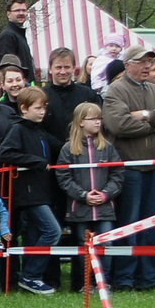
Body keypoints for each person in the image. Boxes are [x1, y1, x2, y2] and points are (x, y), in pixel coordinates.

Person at [103, 46, 155, 290]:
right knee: (130, 222)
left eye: (150, 62)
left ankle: (148, 276)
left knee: (154, 223)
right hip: (131, 168)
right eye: (142, 62)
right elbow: (120, 126)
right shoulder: (115, 91)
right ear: (128, 65)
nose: (148, 66)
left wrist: (147, 115)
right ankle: (125, 277)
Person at [0, 86, 61, 295]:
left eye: (44, 108)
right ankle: (31, 275)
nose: (42, 112)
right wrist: (35, 162)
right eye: (37, 108)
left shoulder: (39, 130)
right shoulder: (18, 129)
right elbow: (6, 152)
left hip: (42, 191)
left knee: (35, 235)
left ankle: (31, 277)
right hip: (29, 194)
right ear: (24, 109)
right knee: (53, 231)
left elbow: (58, 146)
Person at [58, 102, 122, 252]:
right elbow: (63, 177)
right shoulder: (68, 149)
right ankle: (84, 276)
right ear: (80, 122)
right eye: (92, 118)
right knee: (83, 245)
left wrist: (106, 194)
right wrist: (83, 195)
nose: (98, 122)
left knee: (107, 244)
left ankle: (104, 276)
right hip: (80, 209)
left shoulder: (107, 147)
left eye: (99, 118)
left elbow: (118, 174)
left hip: (105, 208)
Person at [0, 0, 36, 83]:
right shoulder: (7, 36)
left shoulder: (19, 35)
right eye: (17, 10)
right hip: (17, 88)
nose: (21, 13)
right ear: (8, 14)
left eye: (24, 10)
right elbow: (5, 68)